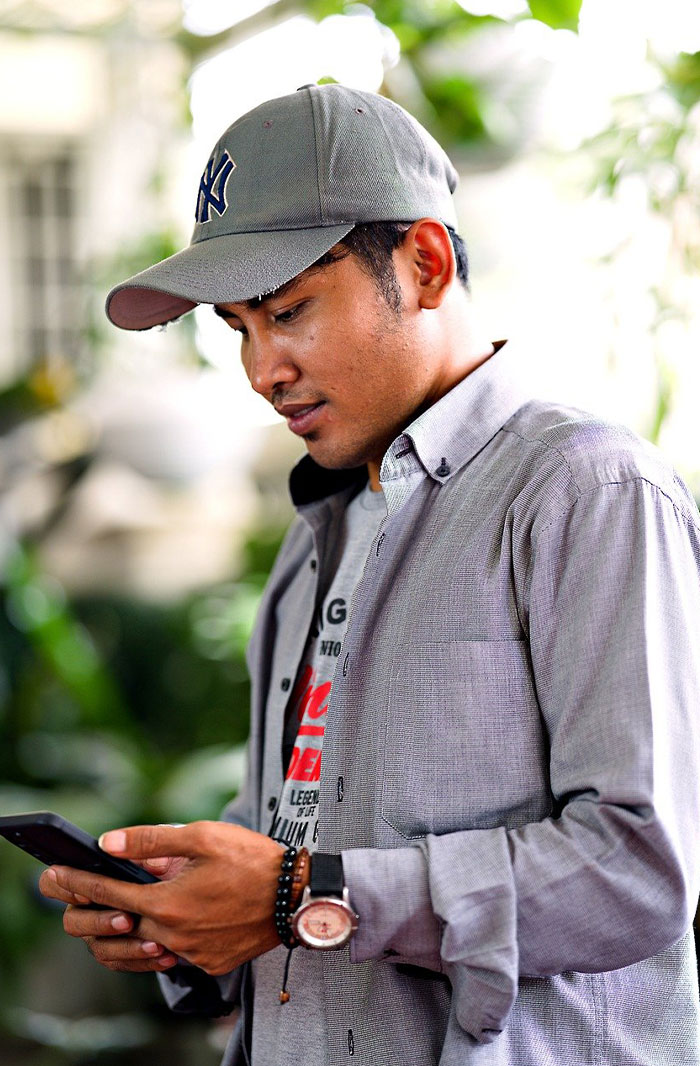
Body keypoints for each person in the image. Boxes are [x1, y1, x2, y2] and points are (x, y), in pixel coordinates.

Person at [39, 83, 700, 1065]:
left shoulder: (584, 491)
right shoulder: (322, 530)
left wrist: (303, 895)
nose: (262, 369)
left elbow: (637, 872)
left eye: (288, 311)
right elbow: (298, 830)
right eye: (238, 327)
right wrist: (191, 918)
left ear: (424, 264)